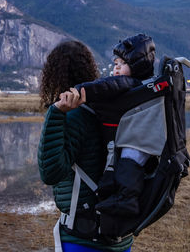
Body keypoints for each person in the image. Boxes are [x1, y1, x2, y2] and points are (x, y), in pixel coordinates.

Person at [37, 40, 133, 252]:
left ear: (54, 75)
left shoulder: (74, 117)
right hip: (120, 233)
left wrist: (55, 114)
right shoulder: (111, 109)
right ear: (90, 68)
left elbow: (50, 173)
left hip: (84, 238)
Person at [74, 34, 156, 216]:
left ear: (137, 66)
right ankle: (117, 198)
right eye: (115, 63)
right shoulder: (137, 85)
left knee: (127, 167)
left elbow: (104, 86)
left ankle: (126, 202)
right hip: (133, 138)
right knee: (120, 168)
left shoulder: (127, 82)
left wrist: (80, 91)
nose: (116, 67)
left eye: (122, 63)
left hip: (134, 142)